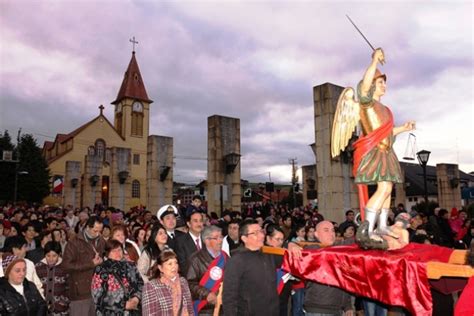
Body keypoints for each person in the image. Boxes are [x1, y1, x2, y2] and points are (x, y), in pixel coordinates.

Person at [333, 48, 415, 245]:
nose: (384, 85)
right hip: (374, 151)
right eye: (380, 82)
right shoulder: (366, 103)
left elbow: (386, 132)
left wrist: (403, 128)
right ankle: (367, 229)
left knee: (388, 189)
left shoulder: (386, 109)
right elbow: (364, 85)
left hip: (386, 151)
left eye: (384, 82)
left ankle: (382, 225)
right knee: (384, 187)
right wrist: (374, 62)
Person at [223, 219, 279, 316]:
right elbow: (229, 297)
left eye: (261, 231)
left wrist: (292, 244)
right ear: (244, 238)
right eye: (255, 233)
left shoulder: (269, 255)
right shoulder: (236, 261)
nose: (262, 236)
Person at [303, 221, 354, 316]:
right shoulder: (311, 251)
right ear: (316, 234)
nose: (331, 234)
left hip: (337, 309)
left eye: (333, 230)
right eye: (326, 230)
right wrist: (292, 244)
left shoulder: (337, 252)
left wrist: (347, 305)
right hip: (318, 310)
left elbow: (343, 280)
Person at [62, 216, 105, 316]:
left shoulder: (101, 241)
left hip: (97, 289)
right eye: (95, 230)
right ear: (87, 227)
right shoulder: (74, 242)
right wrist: (90, 264)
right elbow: (66, 265)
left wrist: (101, 261)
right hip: (80, 292)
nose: (98, 233)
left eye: (100, 231)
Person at [91, 239, 143, 316]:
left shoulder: (130, 265)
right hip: (111, 312)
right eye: (113, 251)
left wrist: (136, 299)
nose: (117, 253)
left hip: (133, 311)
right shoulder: (101, 269)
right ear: (107, 253)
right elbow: (97, 296)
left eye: (119, 250)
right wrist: (123, 305)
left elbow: (140, 283)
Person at [186, 225, 227, 315]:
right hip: (204, 307)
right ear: (206, 241)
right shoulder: (196, 259)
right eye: (216, 238)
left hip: (223, 306)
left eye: (221, 237)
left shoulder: (225, 257)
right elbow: (190, 283)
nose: (220, 240)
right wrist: (206, 294)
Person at [141, 249, 194, 315]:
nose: (174, 266)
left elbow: (190, 309)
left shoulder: (183, 282)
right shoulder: (151, 287)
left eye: (176, 263)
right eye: (170, 264)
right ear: (160, 268)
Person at [35, 241, 70, 315]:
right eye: (48, 255)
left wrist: (64, 301)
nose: (51, 259)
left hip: (61, 309)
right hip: (42, 308)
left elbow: (70, 286)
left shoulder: (65, 267)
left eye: (54, 256)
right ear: (44, 255)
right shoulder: (38, 267)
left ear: (59, 254)